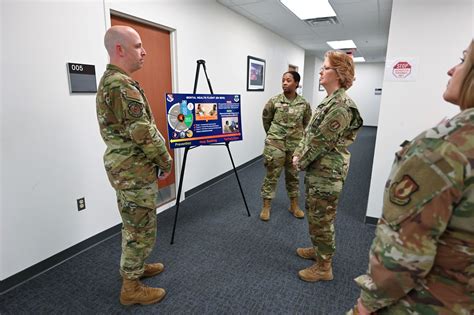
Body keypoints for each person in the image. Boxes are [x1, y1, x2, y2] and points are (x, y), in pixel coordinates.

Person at [350, 40, 474, 315]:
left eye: (464, 60)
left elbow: (403, 256)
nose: (452, 70)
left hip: (430, 301)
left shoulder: (443, 147)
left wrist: (366, 305)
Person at [96, 25, 173, 306]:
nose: (144, 51)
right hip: (133, 172)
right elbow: (143, 131)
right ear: (120, 49)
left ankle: (136, 268)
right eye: (138, 45)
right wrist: (165, 159)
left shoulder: (114, 81)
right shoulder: (120, 85)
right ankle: (131, 288)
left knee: (135, 223)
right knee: (139, 229)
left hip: (130, 170)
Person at [292, 51, 363, 282]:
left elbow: (322, 141)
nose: (321, 71)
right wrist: (298, 152)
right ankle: (318, 249)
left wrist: (300, 161)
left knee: (323, 217)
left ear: (339, 74)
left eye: (325, 68)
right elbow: (309, 133)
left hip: (327, 172)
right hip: (317, 168)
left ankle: (324, 267)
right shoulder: (328, 101)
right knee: (315, 213)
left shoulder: (341, 105)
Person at [260, 71, 312, 221]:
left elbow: (306, 122)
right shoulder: (274, 101)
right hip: (275, 144)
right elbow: (266, 120)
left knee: (293, 176)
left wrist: (298, 138)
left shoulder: (304, 104)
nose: (284, 83)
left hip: (295, 146)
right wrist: (273, 135)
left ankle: (294, 205)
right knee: (271, 176)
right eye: (283, 80)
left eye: (288, 80)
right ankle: (266, 207)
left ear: (296, 83)